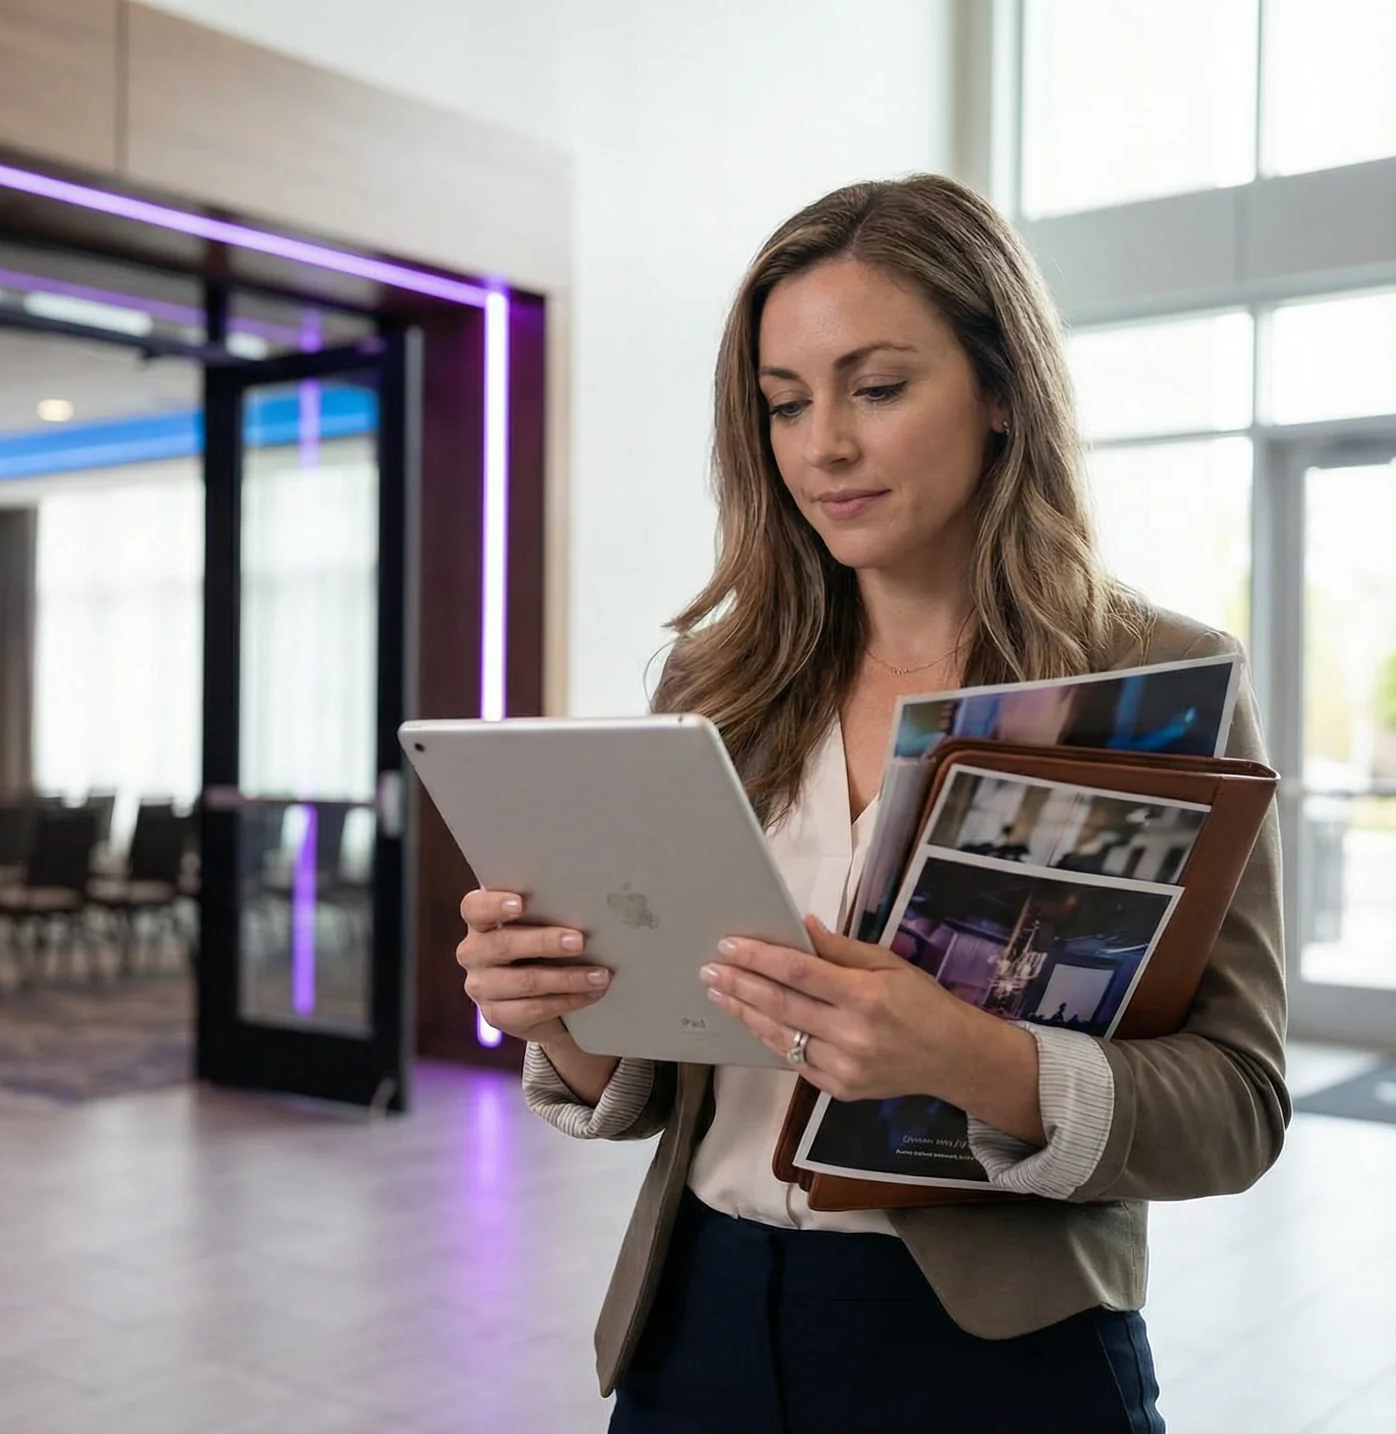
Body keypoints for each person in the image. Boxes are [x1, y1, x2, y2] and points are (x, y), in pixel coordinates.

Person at [453, 174, 1285, 1434]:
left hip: (1001, 1350)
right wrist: (559, 1009)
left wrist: (972, 1060)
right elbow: (661, 1071)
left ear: (1001, 389)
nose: (821, 447)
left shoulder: (1154, 685)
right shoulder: (715, 686)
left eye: (878, 388)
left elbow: (1238, 1105)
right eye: (785, 403)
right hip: (699, 1325)